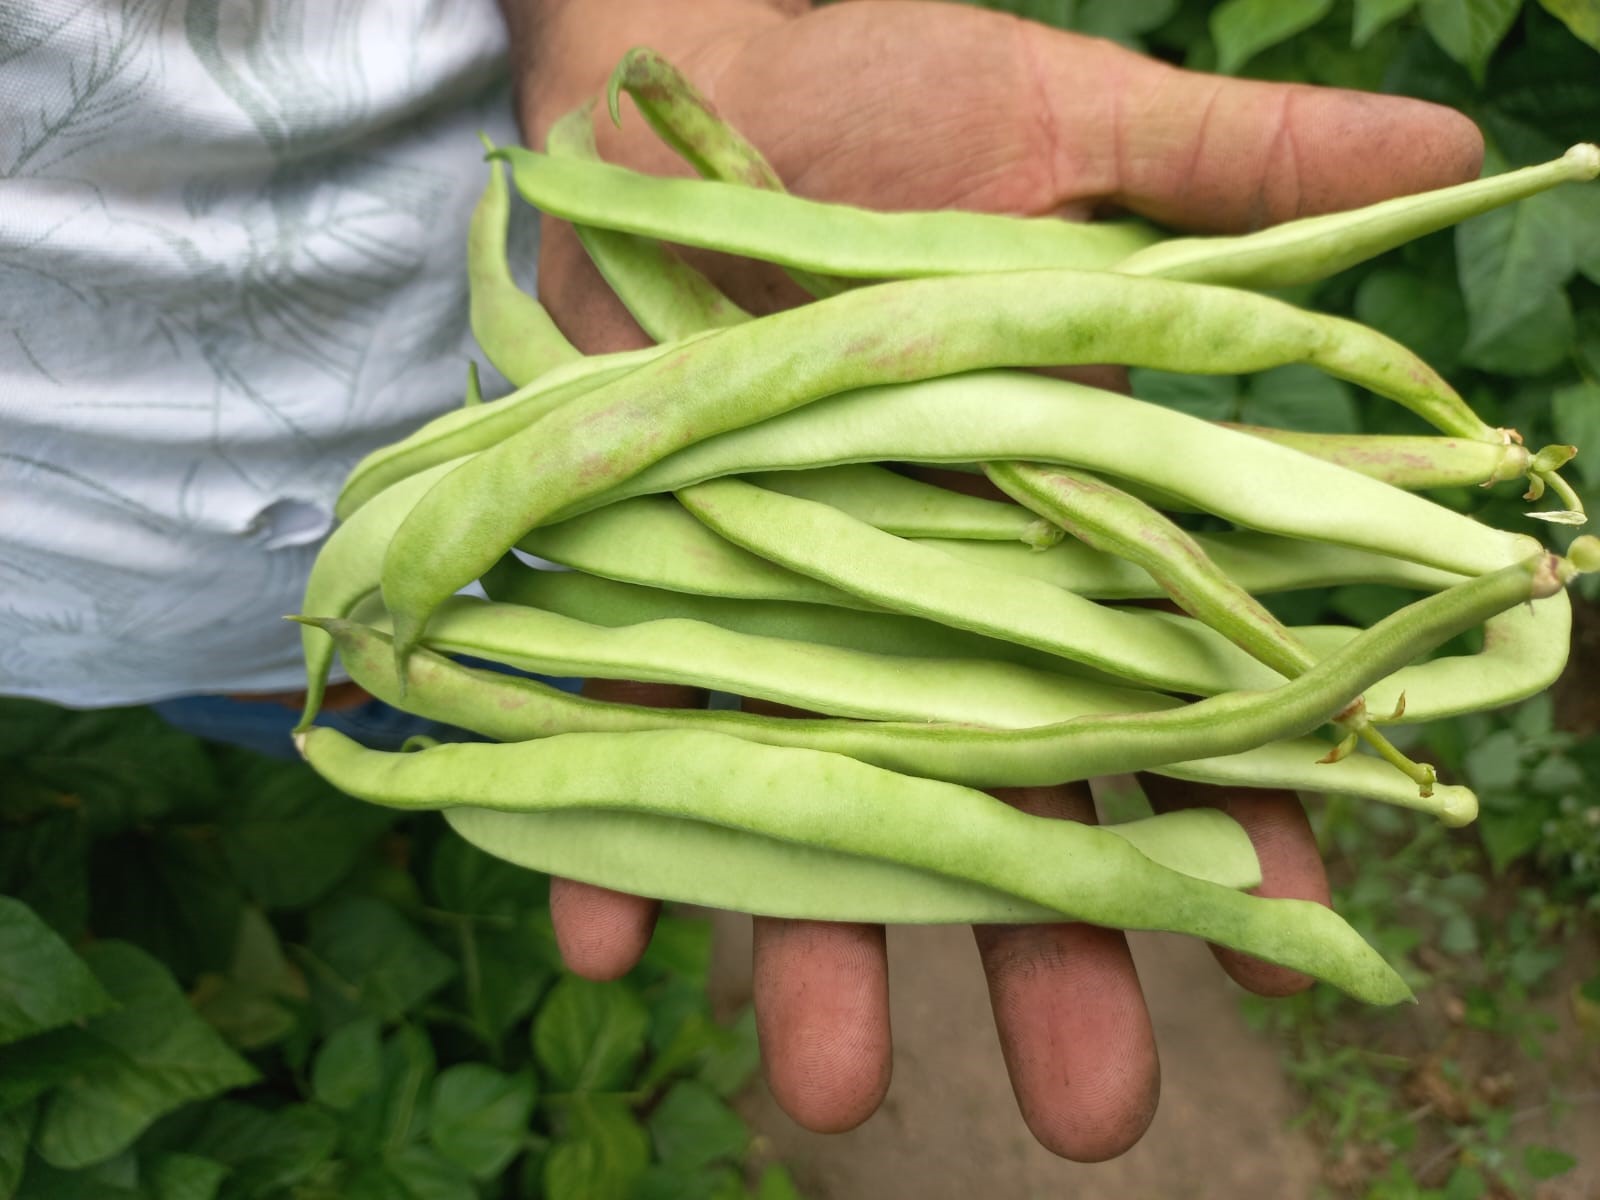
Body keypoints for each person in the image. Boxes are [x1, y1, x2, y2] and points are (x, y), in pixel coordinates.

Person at [1, 0, 1483, 1163]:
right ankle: (342, 705)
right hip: (170, 636)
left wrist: (626, 18)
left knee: (466, 710)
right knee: (405, 713)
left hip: (539, 336)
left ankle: (1476, 539)